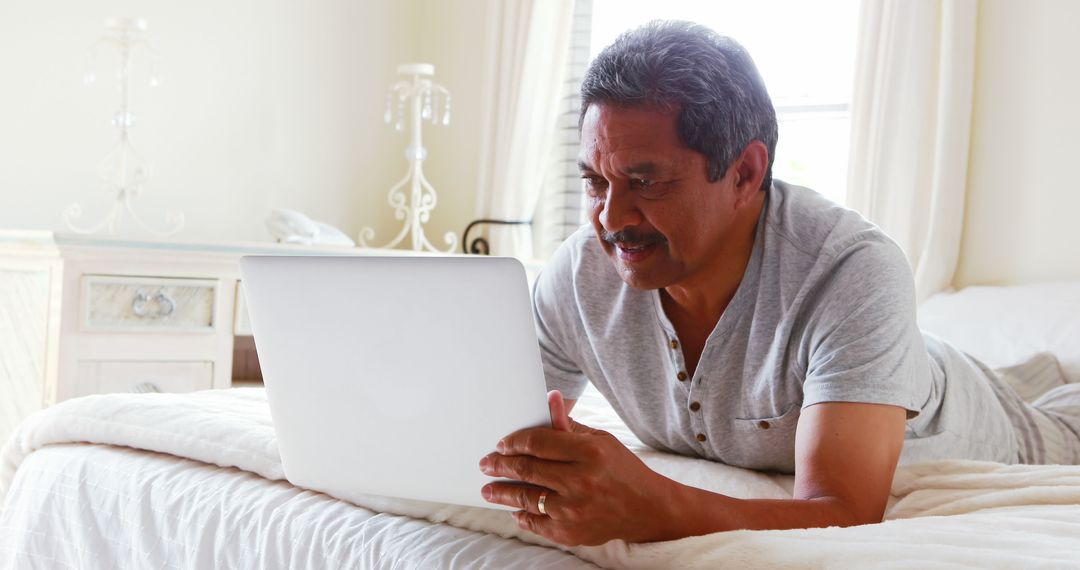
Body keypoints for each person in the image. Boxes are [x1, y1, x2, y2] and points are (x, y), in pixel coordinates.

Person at [476, 20, 1080, 546]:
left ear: (745, 172)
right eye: (594, 182)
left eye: (647, 182)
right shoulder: (579, 275)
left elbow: (843, 514)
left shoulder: (851, 272)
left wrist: (652, 504)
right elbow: (495, 442)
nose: (610, 219)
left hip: (1034, 430)